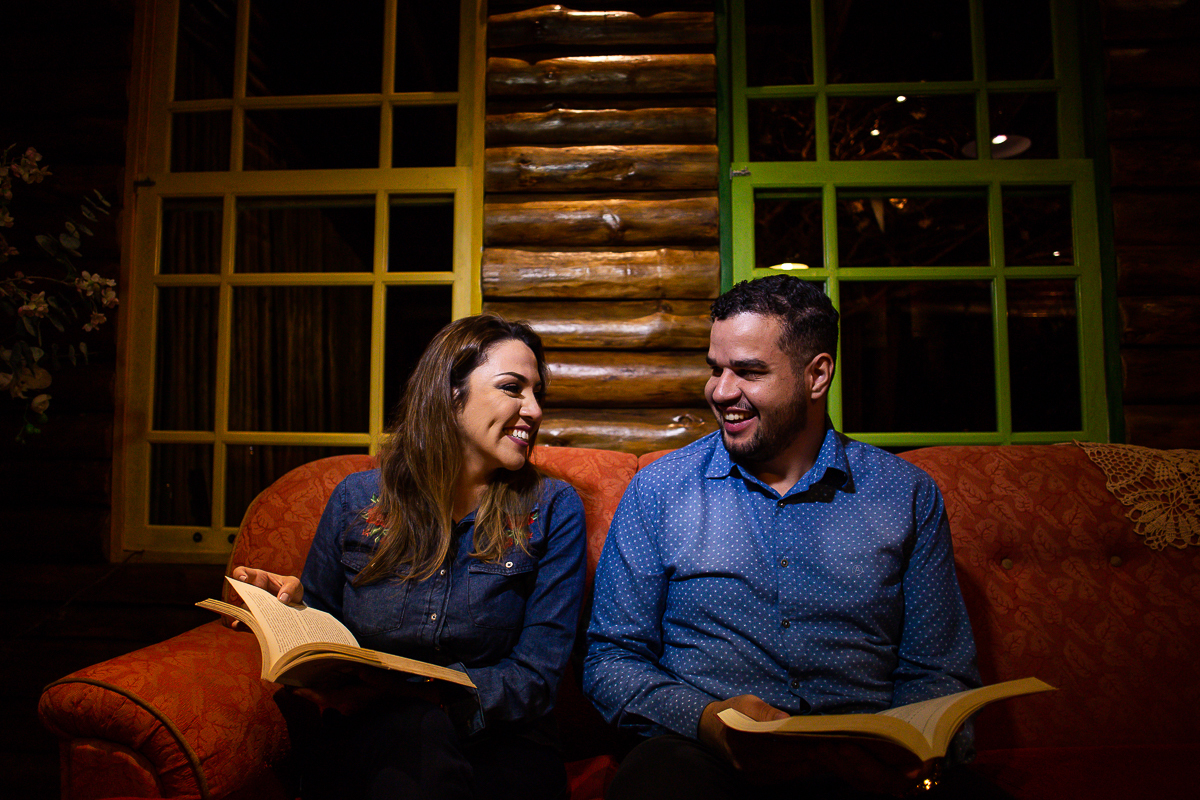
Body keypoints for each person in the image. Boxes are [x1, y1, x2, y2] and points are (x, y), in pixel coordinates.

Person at [583, 275, 981, 799]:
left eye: (749, 372)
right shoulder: (659, 490)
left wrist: (911, 750)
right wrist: (706, 720)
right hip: (703, 759)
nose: (721, 391)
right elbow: (610, 660)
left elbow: (940, 671)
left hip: (862, 765)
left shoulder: (904, 494)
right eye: (716, 369)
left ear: (817, 375)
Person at [234, 314, 587, 800]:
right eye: (512, 388)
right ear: (450, 393)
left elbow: (536, 676)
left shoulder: (552, 509)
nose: (534, 409)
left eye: (537, 394)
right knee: (404, 733)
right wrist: (286, 609)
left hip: (499, 744)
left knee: (418, 729)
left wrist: (420, 696)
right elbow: (320, 641)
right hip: (373, 740)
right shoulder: (357, 500)